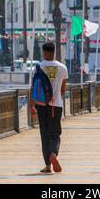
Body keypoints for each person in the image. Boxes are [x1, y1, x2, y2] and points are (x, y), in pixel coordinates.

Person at [30, 42, 68, 174]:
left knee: (44, 135)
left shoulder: (38, 67)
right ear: (54, 51)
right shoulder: (63, 68)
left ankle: (47, 165)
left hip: (41, 106)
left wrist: (32, 106)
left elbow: (33, 88)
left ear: (44, 52)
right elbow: (63, 89)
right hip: (56, 105)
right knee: (55, 134)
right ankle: (53, 154)